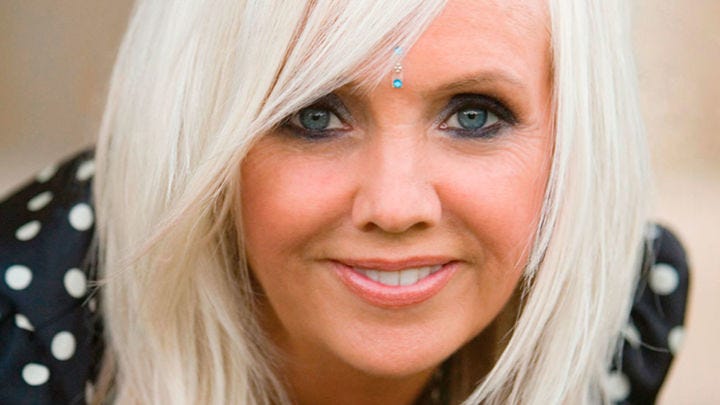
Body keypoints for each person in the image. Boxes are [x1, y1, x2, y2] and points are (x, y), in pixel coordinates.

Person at [0, 0, 689, 404]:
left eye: (475, 115)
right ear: (202, 131)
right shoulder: (23, 325)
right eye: (315, 115)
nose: (395, 205)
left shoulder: (621, 310)